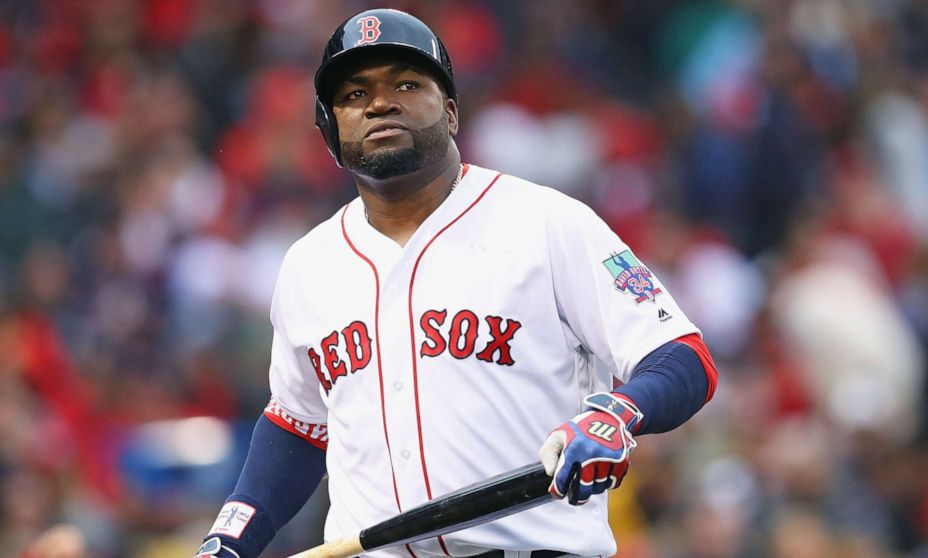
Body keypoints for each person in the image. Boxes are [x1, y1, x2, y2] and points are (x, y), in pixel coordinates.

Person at [195, 8, 718, 558]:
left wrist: (619, 412)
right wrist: (233, 534)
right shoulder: (308, 264)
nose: (379, 103)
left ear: (450, 113)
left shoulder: (547, 222)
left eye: (406, 83)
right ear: (329, 134)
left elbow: (683, 357)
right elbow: (298, 425)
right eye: (353, 94)